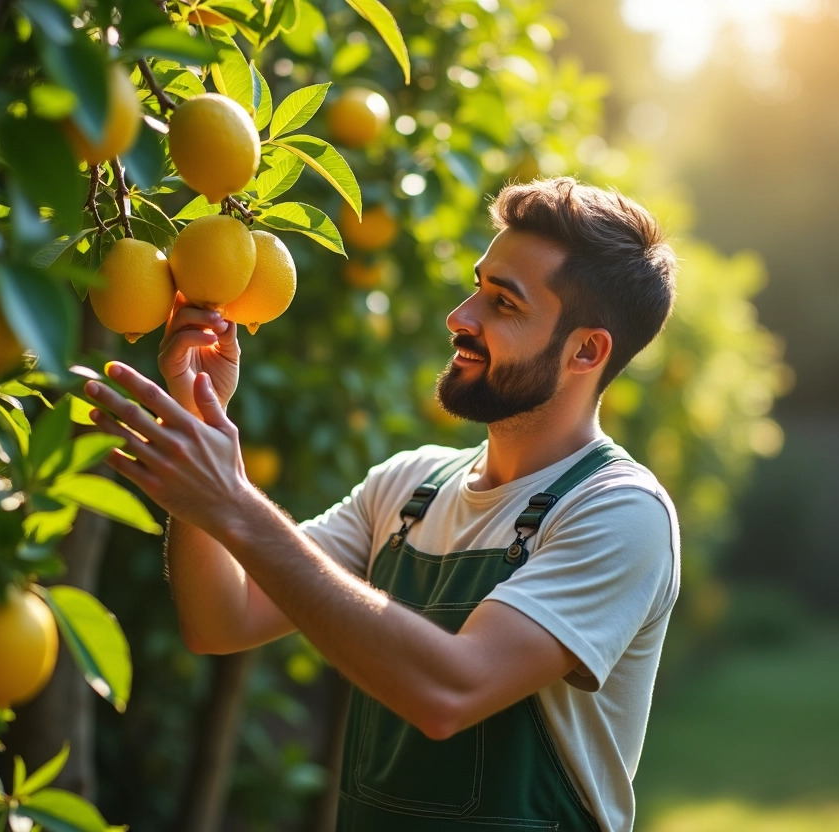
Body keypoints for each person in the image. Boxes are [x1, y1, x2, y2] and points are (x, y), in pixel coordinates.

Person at [83, 177, 681, 832]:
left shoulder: (619, 511)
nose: (461, 316)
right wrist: (201, 421)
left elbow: (450, 691)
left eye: (503, 303)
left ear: (586, 351)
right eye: (478, 285)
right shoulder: (408, 490)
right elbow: (221, 620)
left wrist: (231, 503)